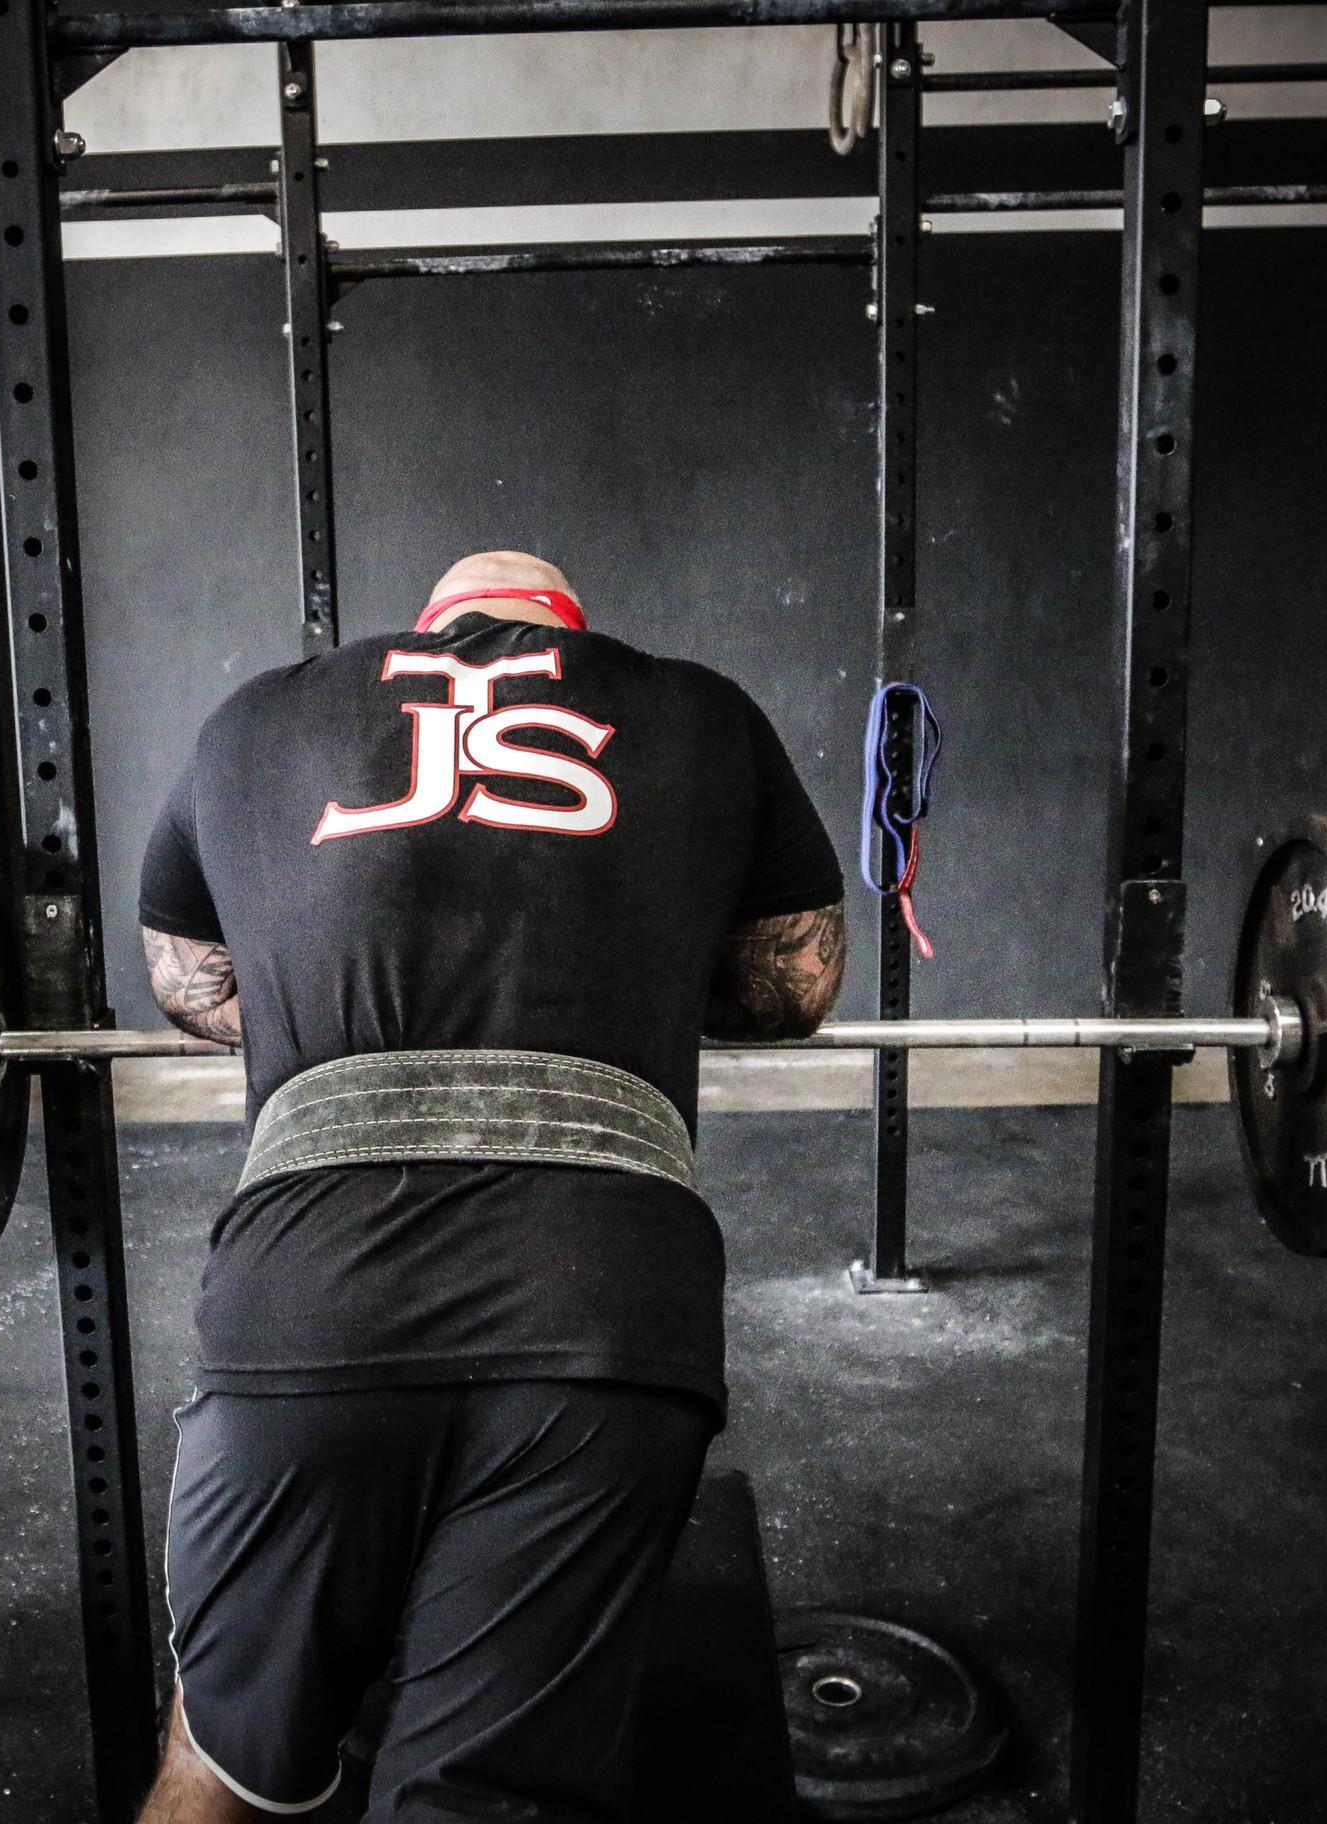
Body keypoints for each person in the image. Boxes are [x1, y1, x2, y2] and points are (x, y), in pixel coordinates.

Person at [130, 552, 847, 1821]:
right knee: (482, 1801)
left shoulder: (254, 717)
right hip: (604, 1303)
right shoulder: (702, 711)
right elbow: (795, 984)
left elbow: (187, 980)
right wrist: (634, 971)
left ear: (431, 624)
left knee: (221, 1764)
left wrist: (323, 994)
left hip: (307, 1298)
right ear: (567, 625)